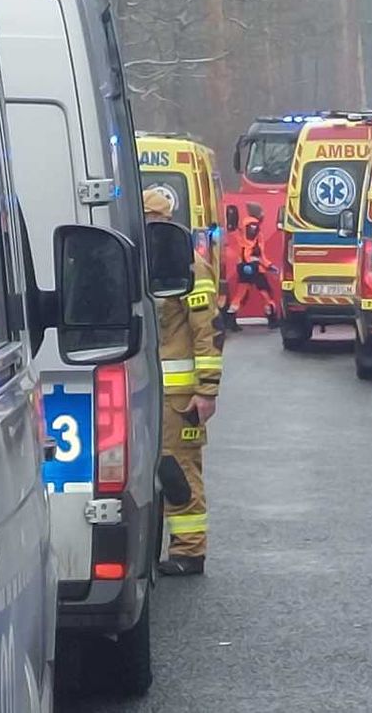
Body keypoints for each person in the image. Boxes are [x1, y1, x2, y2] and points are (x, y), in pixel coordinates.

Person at [144, 188, 224, 576]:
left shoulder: (191, 268)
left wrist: (206, 390)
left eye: (150, 224)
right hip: (153, 391)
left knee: (179, 470)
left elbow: (205, 333)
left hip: (180, 396)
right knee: (157, 470)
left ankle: (190, 551)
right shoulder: (151, 266)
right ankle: (172, 546)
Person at [224, 202, 279, 330]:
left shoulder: (243, 227)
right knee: (266, 294)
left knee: (240, 294)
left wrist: (268, 264)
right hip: (255, 268)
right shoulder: (253, 226)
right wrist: (266, 265)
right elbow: (255, 251)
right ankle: (272, 319)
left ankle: (230, 319)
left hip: (244, 266)